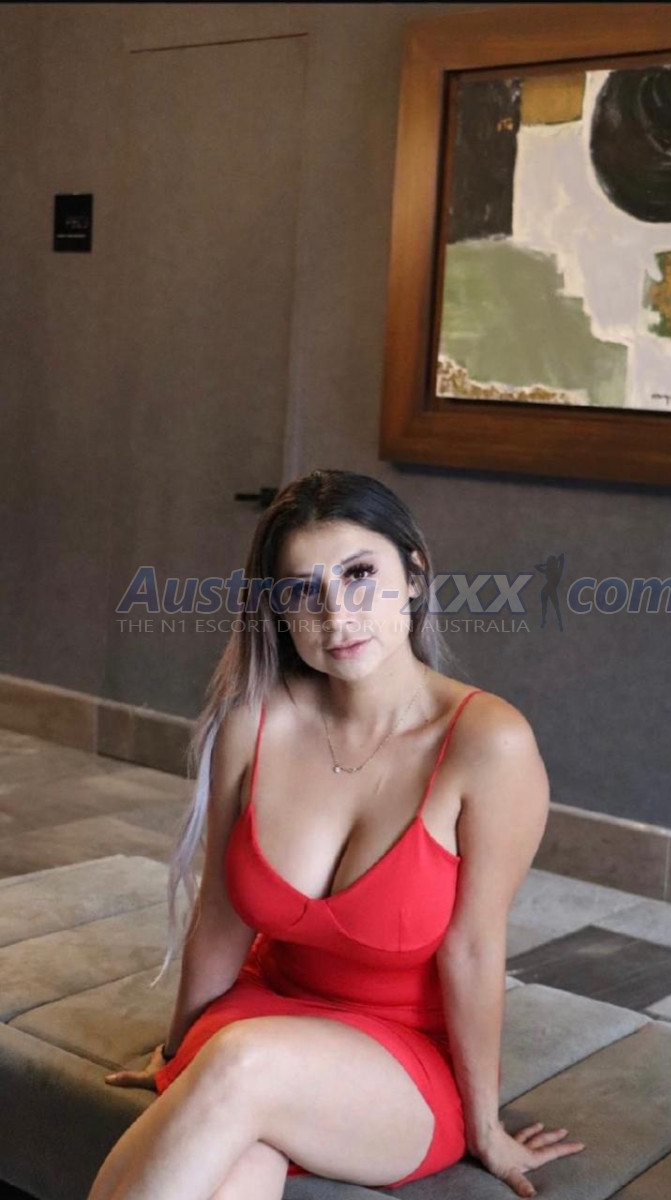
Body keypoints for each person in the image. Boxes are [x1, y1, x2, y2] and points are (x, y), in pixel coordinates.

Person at [88, 469, 585, 1200]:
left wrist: (486, 1126)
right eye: (302, 590)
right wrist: (173, 1053)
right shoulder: (254, 720)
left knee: (240, 1065)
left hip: (399, 1062)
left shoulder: (488, 743)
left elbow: (475, 950)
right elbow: (220, 917)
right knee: (234, 1157)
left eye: (359, 575)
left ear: (414, 575)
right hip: (257, 1015)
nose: (336, 614)